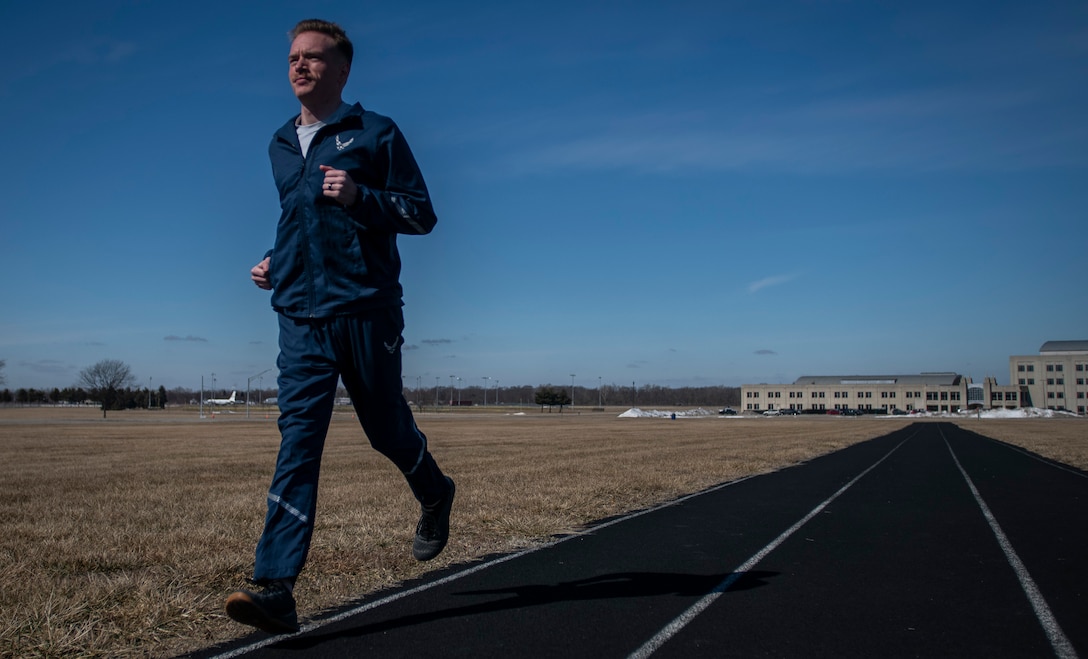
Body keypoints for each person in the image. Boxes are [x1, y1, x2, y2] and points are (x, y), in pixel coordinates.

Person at [225, 18, 455, 635]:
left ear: (343, 69)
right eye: (294, 58)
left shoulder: (375, 132)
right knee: (298, 442)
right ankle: (275, 586)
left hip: (366, 309)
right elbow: (298, 217)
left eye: (315, 58)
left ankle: (434, 492)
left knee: (385, 429)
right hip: (299, 314)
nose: (301, 66)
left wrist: (361, 197)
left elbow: (422, 214)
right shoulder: (279, 143)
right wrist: (276, 260)